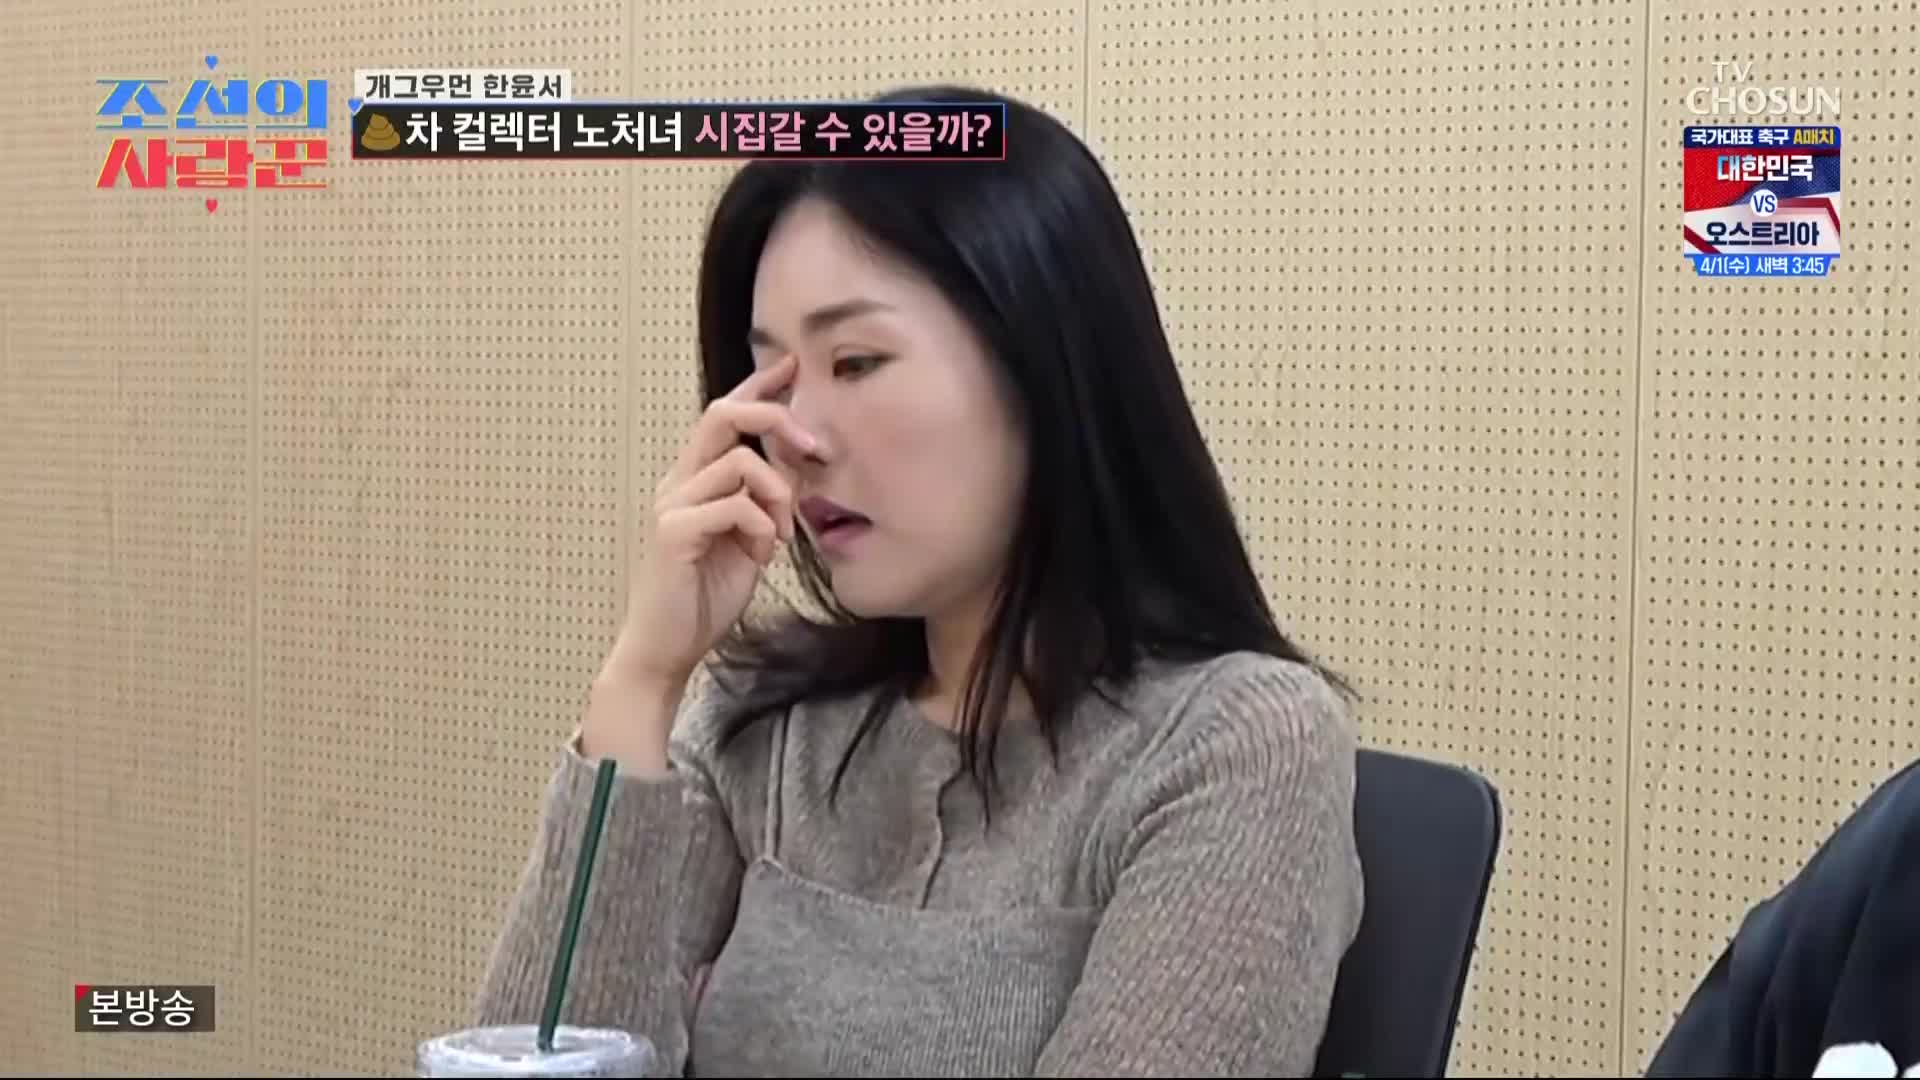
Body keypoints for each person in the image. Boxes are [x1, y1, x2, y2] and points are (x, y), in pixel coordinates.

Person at [471, 83, 1365, 1078]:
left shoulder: (1237, 742)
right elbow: (532, 1061)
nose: (796, 437)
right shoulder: (762, 726)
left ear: (1045, 363)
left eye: (856, 362)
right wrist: (642, 679)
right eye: (774, 380)